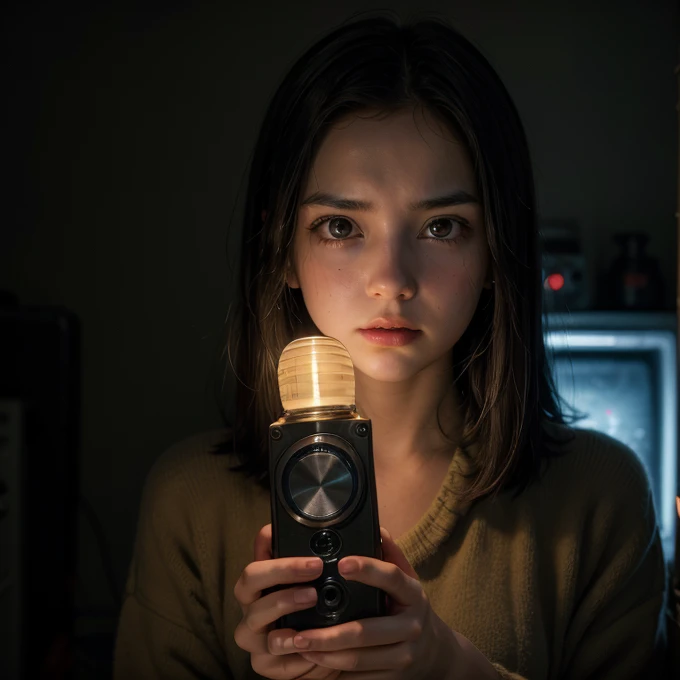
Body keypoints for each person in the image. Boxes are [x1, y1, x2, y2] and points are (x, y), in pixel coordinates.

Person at [113, 12, 669, 679]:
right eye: (342, 225)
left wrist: (447, 666)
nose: (391, 281)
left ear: (496, 248)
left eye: (441, 227)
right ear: (280, 247)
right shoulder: (192, 504)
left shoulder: (598, 500)